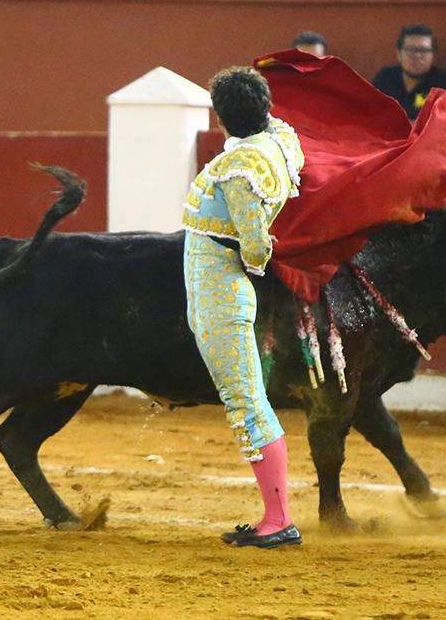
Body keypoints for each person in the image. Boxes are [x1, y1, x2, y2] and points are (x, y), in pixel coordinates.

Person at [181, 67, 305, 549]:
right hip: (217, 287)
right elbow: (280, 128)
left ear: (220, 117)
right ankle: (277, 517)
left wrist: (253, 254)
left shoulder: (240, 168)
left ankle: (278, 521)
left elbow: (255, 248)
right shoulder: (279, 141)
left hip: (220, 287)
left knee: (248, 404)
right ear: (266, 107)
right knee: (248, 401)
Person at [372, 24, 446, 121]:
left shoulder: (444, 82)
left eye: (424, 50)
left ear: (433, 55)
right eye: (410, 49)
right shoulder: (385, 77)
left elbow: (445, 123)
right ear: (399, 53)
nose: (417, 55)